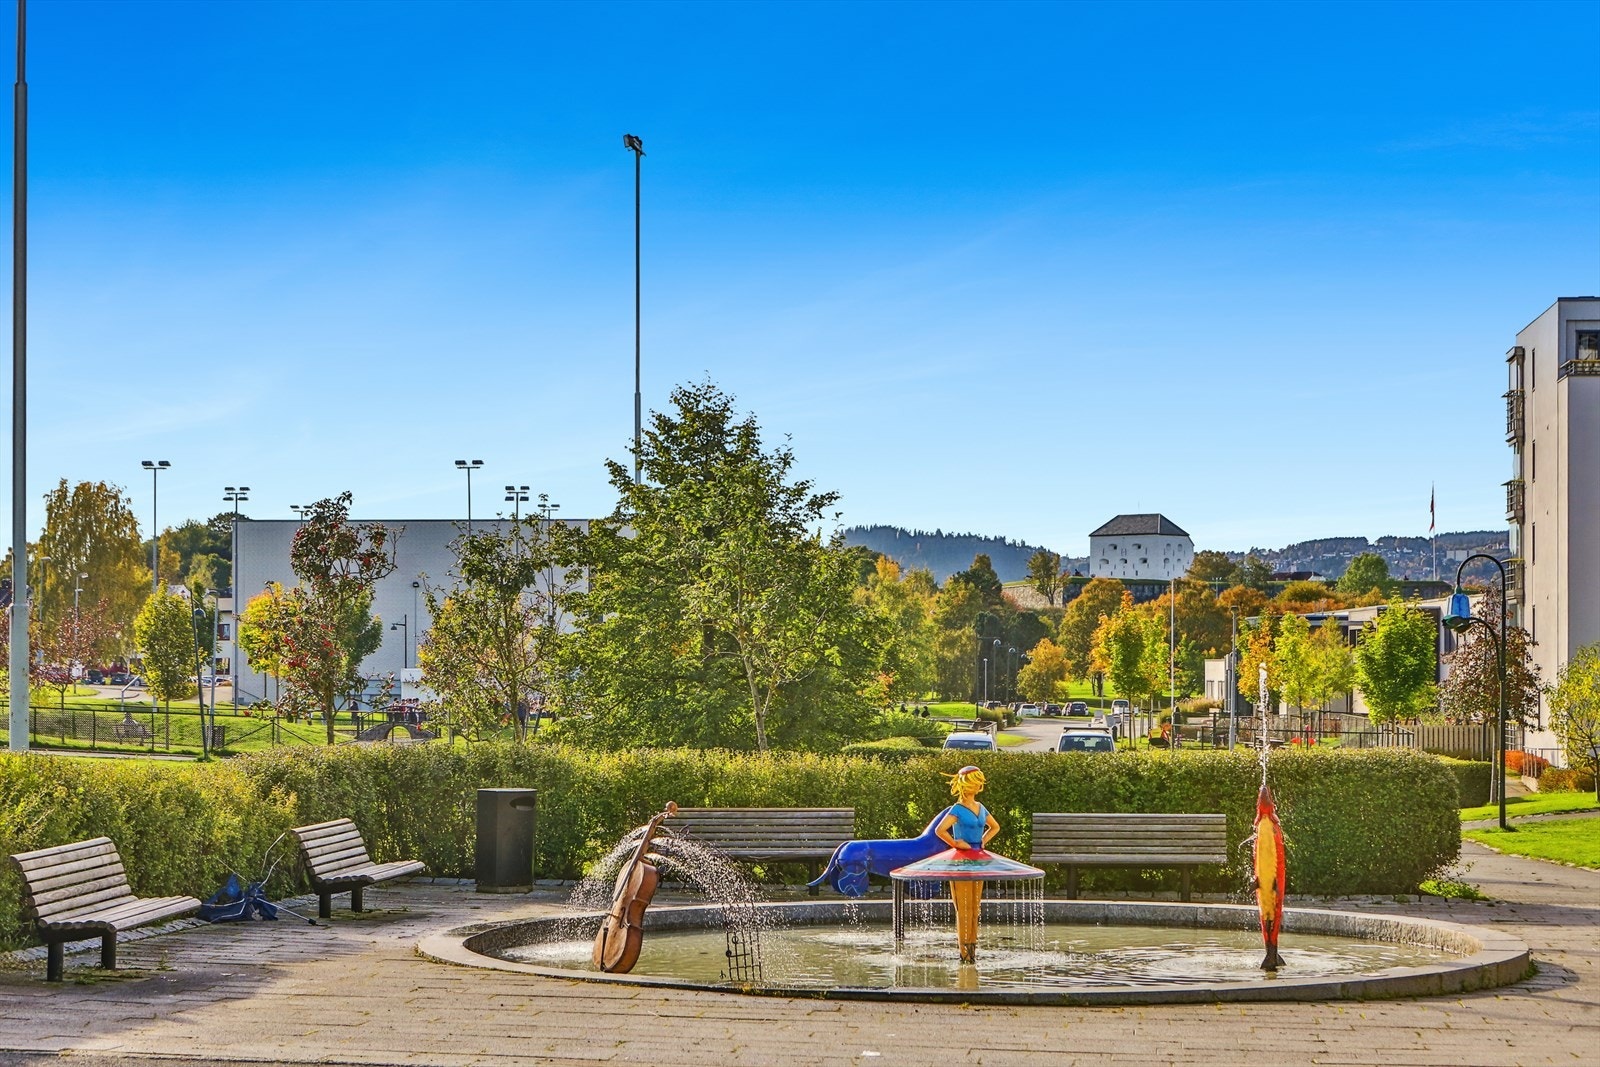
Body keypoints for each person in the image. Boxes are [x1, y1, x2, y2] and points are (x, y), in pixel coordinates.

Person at [935, 766, 999, 964]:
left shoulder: (981, 807)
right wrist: (956, 843)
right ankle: (964, 953)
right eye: (975, 781)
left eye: (979, 782)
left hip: (977, 859)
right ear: (966, 785)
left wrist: (983, 842)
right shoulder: (957, 809)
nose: (979, 785)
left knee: (974, 907)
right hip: (961, 861)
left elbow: (995, 827)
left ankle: (972, 951)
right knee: (963, 908)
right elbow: (940, 830)